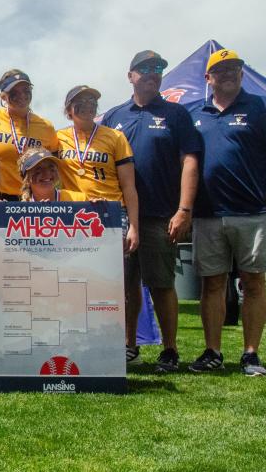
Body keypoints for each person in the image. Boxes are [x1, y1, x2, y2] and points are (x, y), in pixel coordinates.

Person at [188, 49, 266, 376]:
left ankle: (251, 354)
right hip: (208, 213)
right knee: (212, 284)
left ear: (242, 74)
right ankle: (212, 351)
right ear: (208, 78)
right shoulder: (195, 113)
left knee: (254, 282)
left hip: (253, 211)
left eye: (234, 69)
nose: (228, 73)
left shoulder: (262, 107)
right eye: (221, 69)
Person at [101, 50, 201, 372]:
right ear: (130, 75)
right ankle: (129, 345)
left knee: (161, 284)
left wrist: (184, 209)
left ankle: (170, 349)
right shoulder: (114, 116)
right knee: (125, 286)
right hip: (118, 217)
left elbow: (190, 161)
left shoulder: (176, 114)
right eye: (144, 68)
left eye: (158, 68)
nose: (152, 73)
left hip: (160, 214)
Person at [55, 85, 140, 254]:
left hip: (110, 211)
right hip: (73, 212)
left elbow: (129, 186)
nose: (88, 105)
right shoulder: (57, 138)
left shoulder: (115, 137)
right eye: (81, 101)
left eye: (92, 101)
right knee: (76, 271)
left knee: (111, 274)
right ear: (68, 110)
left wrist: (134, 227)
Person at [0, 69, 58, 200]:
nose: (21, 95)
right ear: (3, 97)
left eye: (26, 90)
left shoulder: (46, 126)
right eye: (14, 92)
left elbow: (54, 165)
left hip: (33, 198)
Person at [17, 147, 88, 202]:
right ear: (26, 179)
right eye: (38, 170)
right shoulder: (21, 210)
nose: (47, 173)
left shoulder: (79, 200)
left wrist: (96, 207)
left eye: (51, 168)